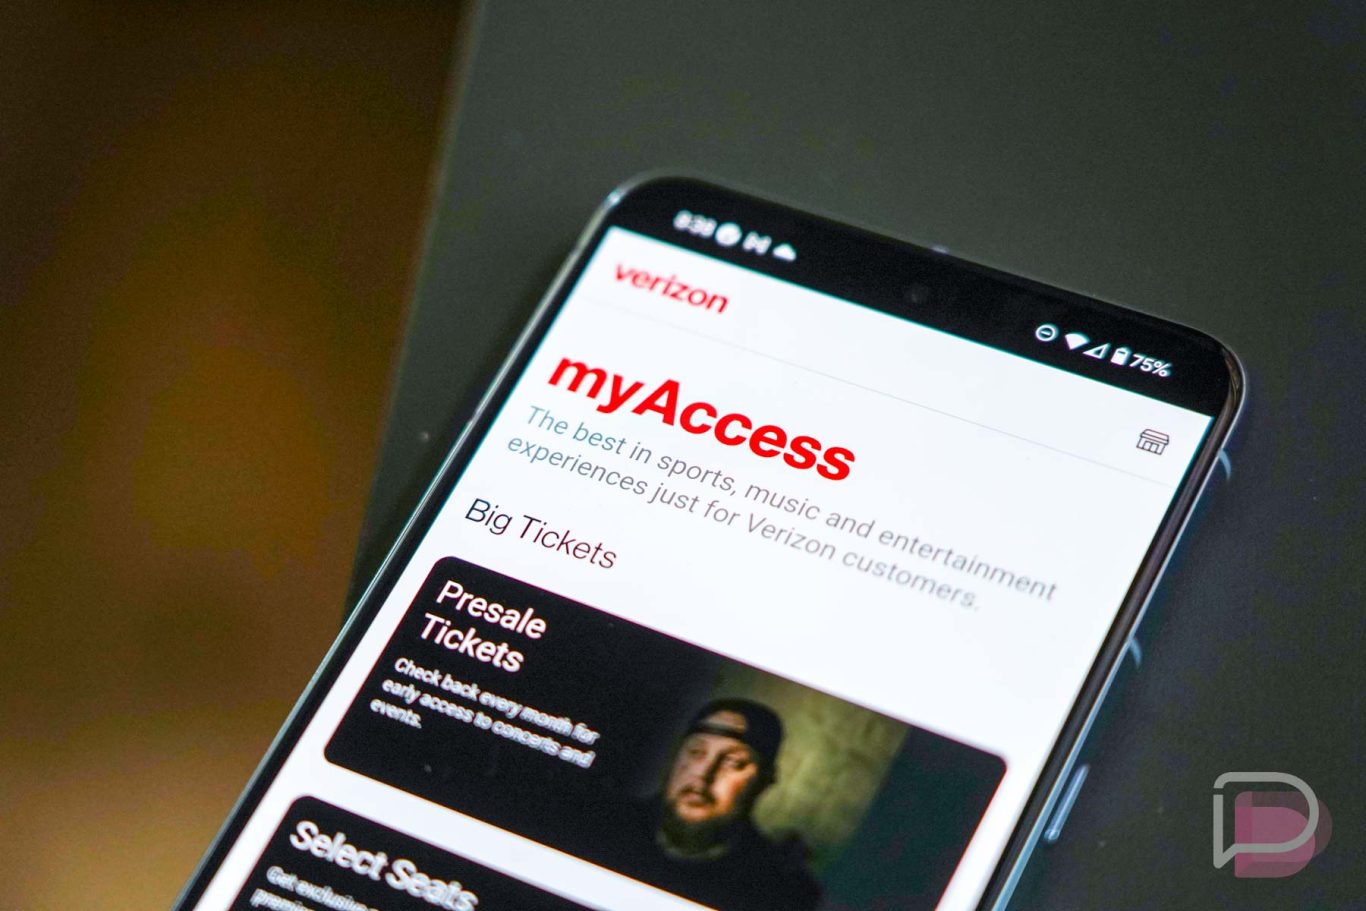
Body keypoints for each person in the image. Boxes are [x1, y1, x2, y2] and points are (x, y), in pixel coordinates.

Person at [608, 698, 821, 911]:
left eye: (733, 762)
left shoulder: (778, 891)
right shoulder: (605, 825)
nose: (704, 775)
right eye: (696, 752)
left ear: (764, 780)